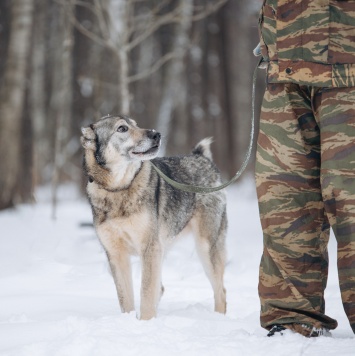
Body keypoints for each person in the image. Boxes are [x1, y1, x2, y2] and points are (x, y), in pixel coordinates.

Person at [255, 0, 355, 337]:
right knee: (284, 200)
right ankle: (292, 315)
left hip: (350, 69)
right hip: (286, 65)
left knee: (350, 202)